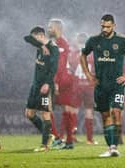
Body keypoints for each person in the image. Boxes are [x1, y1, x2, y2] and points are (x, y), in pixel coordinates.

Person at [80, 14, 125, 157]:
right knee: (105, 116)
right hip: (100, 85)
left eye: (107, 26)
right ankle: (111, 147)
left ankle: (115, 145)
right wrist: (87, 74)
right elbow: (82, 55)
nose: (104, 29)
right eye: (102, 26)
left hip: (117, 85)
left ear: (114, 26)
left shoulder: (121, 40)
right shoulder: (94, 40)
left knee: (116, 113)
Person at [24, 26, 59, 152]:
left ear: (41, 36)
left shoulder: (54, 48)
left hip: (45, 86)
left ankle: (45, 145)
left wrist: (47, 84)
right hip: (35, 86)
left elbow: (54, 68)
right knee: (29, 114)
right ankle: (49, 135)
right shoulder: (40, 47)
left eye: (36, 39)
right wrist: (41, 46)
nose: (34, 42)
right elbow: (26, 38)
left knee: (45, 114)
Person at [47, 18, 79, 149]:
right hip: (67, 79)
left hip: (62, 79)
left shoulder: (60, 44)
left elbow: (59, 65)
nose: (48, 29)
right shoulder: (62, 43)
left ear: (57, 29)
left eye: (50, 27)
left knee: (47, 107)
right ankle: (69, 141)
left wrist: (55, 82)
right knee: (67, 110)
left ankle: (57, 138)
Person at [69, 32, 97, 145]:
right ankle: (89, 139)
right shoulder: (92, 55)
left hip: (77, 87)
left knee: (73, 112)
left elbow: (70, 69)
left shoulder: (74, 54)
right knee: (89, 112)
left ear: (78, 41)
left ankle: (71, 136)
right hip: (89, 87)